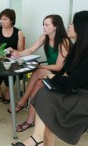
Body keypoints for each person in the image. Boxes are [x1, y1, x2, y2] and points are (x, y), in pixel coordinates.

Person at [12, 10, 88, 146]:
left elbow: (65, 74)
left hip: (82, 95)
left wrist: (47, 72)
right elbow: (67, 71)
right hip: (70, 84)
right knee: (43, 91)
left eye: (72, 23)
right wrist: (17, 54)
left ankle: (36, 137)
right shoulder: (77, 46)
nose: (69, 26)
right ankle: (37, 138)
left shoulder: (65, 42)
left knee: (43, 89)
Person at [8, 15, 72, 132]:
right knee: (37, 85)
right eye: (43, 24)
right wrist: (18, 54)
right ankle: (30, 120)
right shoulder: (44, 37)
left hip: (63, 75)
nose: (43, 27)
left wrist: (40, 66)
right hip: (48, 71)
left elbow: (58, 67)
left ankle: (23, 101)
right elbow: (31, 50)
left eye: (47, 25)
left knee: (38, 71)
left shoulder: (64, 42)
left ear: (56, 27)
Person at [0, 8, 24, 104]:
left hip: (11, 60)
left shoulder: (18, 32)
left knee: (10, 74)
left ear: (12, 20)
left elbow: (20, 51)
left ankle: (9, 90)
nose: (2, 21)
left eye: (5, 19)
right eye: (1, 19)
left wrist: (12, 50)